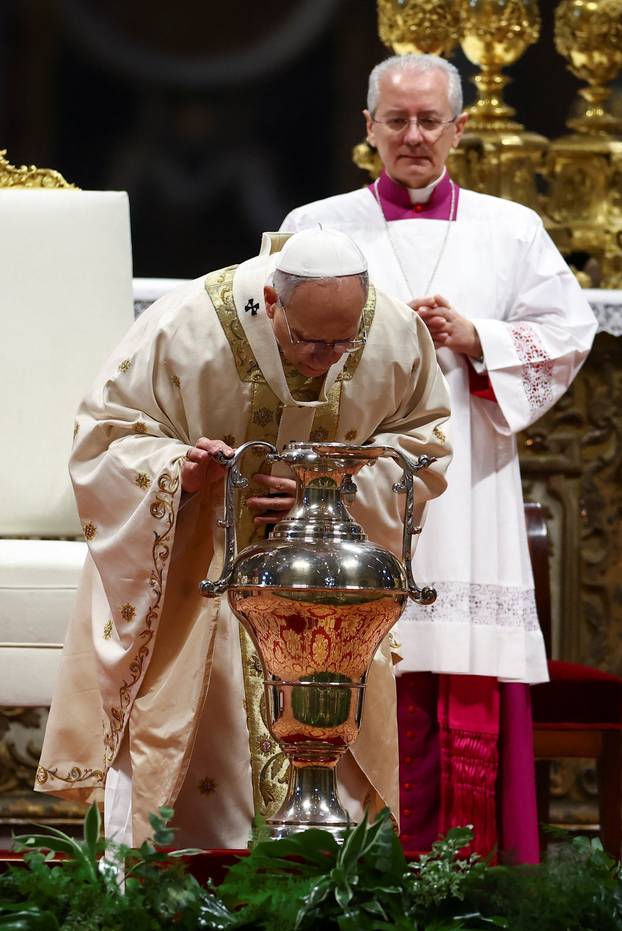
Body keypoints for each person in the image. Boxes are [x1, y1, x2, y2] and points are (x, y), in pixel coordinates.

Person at [35, 228, 452, 849]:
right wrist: (185, 472)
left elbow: (426, 449)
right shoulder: (187, 324)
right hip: (202, 572)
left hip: (328, 588)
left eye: (343, 343)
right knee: (205, 738)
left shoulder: (391, 332)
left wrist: (326, 494)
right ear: (274, 302)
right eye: (310, 341)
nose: (326, 359)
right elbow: (105, 441)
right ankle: (185, 874)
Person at [280, 54, 598, 861]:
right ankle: (347, 868)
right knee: (353, 659)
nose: (413, 136)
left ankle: (470, 874)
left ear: (458, 128)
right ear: (369, 130)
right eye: (397, 120)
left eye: (429, 121)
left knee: (457, 657)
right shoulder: (317, 226)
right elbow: (273, 342)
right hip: (352, 494)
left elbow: (568, 332)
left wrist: (478, 339)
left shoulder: (511, 228)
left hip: (470, 492)